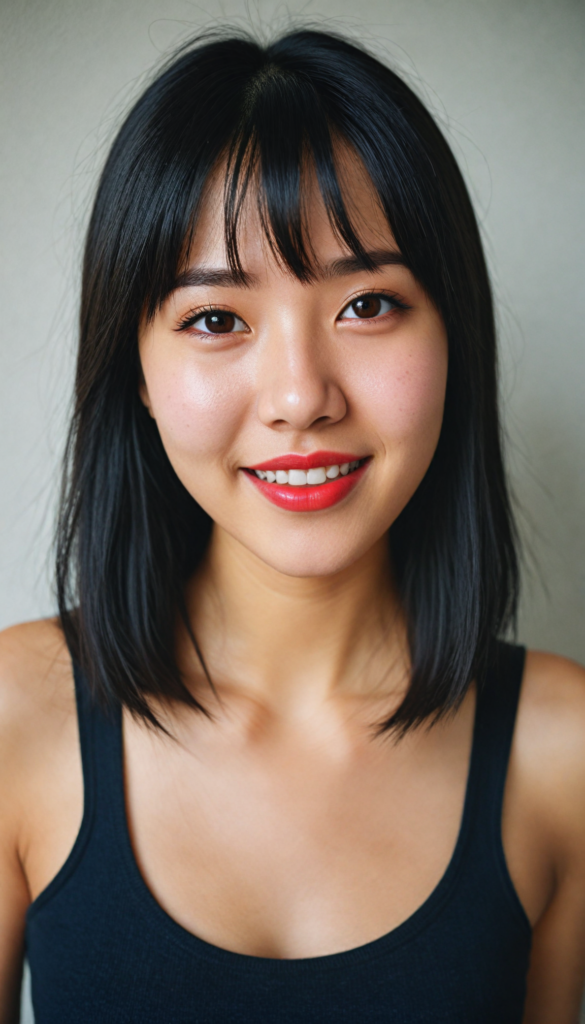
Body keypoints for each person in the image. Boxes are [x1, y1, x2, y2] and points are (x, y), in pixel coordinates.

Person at [0, 27, 584, 1024]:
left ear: (455, 339)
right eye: (217, 319)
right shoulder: (18, 714)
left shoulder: (563, 751)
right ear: (135, 371)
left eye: (366, 303)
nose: (301, 396)